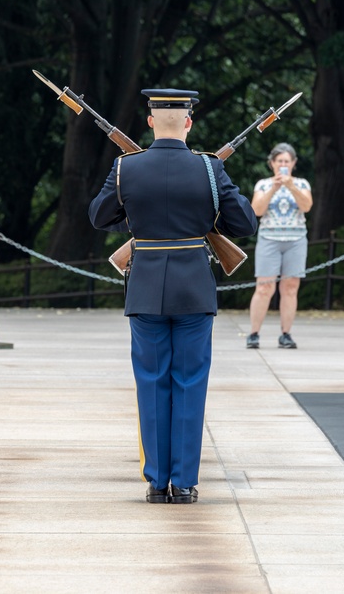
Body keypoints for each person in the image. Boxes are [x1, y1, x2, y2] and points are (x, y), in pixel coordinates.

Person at [88, 88, 257, 504]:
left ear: (149, 122)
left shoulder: (127, 168)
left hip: (145, 287)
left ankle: (156, 480)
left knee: (150, 383)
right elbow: (245, 222)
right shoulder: (209, 168)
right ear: (188, 122)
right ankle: (184, 481)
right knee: (190, 384)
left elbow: (99, 216)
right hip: (194, 289)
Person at [245, 143, 312, 349]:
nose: (283, 164)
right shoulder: (263, 184)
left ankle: (286, 333)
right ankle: (254, 333)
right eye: (279, 161)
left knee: (290, 288)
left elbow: (307, 206)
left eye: (287, 161)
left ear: (293, 163)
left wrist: (290, 185)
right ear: (272, 163)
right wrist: (275, 187)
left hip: (296, 240)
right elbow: (256, 210)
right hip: (269, 240)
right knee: (264, 287)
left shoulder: (302, 184)